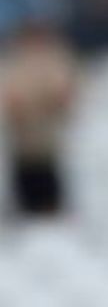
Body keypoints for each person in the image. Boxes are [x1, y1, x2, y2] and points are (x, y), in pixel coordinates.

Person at [0, 17, 79, 220]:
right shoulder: (14, 61)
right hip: (22, 136)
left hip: (47, 134)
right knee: (25, 176)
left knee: (47, 175)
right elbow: (10, 95)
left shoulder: (55, 59)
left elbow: (64, 92)